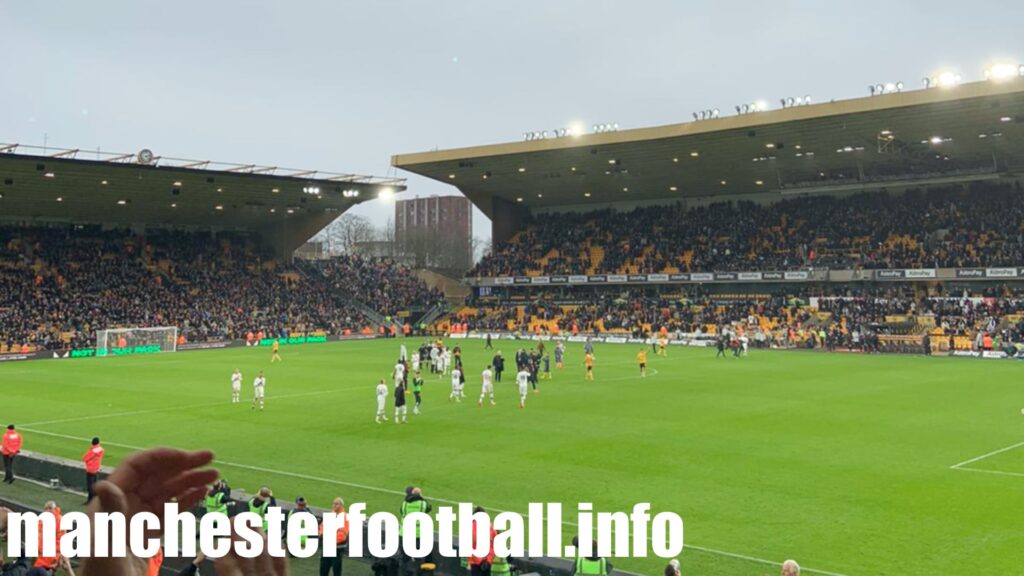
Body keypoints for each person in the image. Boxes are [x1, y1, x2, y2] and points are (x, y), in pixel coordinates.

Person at [399, 487, 431, 574]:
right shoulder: (422, 504)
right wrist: (422, 497)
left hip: (404, 533)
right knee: (418, 558)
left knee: (404, 558)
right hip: (417, 535)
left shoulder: (404, 503)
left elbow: (401, 512)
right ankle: (418, 574)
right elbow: (429, 508)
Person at [319, 498, 349, 576]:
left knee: (336, 572)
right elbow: (322, 526)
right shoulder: (332, 514)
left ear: (341, 506)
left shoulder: (344, 518)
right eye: (333, 503)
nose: (334, 505)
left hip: (337, 549)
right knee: (323, 570)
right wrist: (321, 533)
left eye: (336, 504)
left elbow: (342, 535)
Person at [82, 437, 105, 504]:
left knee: (90, 486)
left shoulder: (92, 451)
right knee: (94, 484)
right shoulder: (101, 449)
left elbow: (84, 458)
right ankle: (94, 499)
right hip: (96, 468)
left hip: (90, 469)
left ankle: (91, 500)